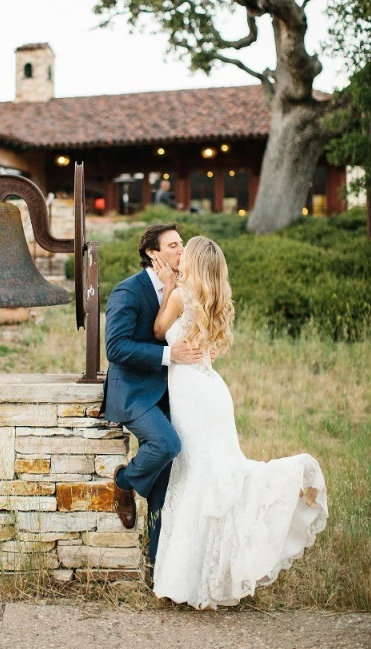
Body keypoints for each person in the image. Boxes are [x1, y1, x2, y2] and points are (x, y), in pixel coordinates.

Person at [151, 236, 328, 609]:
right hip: (211, 391)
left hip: (193, 396)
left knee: (200, 477)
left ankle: (193, 581)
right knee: (214, 474)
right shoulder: (211, 299)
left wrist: (167, 287)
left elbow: (156, 332)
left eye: (185, 253)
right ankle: (203, 581)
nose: (179, 256)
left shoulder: (182, 296)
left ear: (194, 263)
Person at [103, 223, 211, 569]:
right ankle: (123, 482)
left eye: (182, 245)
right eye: (174, 245)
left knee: (168, 484)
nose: (182, 251)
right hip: (134, 392)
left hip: (173, 391)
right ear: (153, 253)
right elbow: (115, 347)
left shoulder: (184, 288)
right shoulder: (128, 292)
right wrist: (169, 356)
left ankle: (156, 566)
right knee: (166, 445)